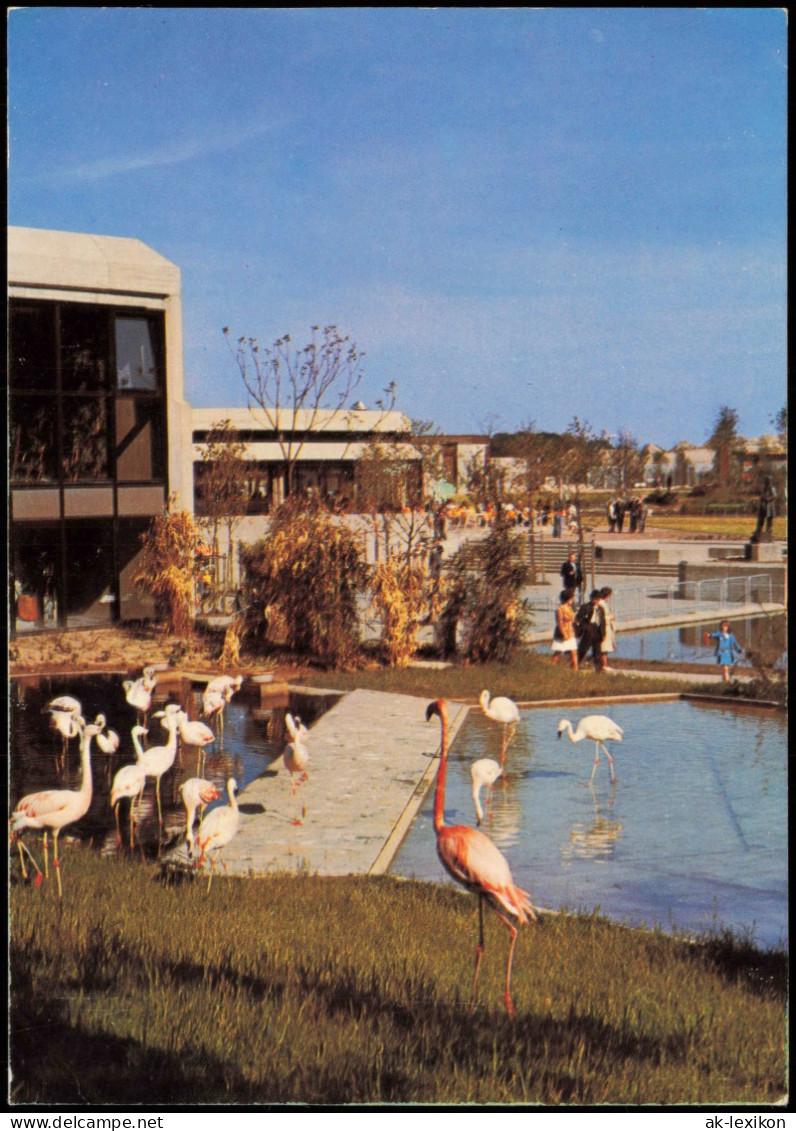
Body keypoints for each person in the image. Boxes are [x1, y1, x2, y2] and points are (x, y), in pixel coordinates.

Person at [575, 589, 604, 670]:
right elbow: (578, 618)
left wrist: (603, 633)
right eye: (594, 599)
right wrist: (583, 628)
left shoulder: (600, 609)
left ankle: (598, 668)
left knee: (597, 650)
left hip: (597, 630)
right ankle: (575, 664)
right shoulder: (585, 607)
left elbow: (603, 621)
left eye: (597, 599)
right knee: (583, 649)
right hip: (588, 628)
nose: (595, 601)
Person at [551, 588, 578, 671]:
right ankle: (552, 666)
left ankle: (575, 669)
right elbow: (559, 622)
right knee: (559, 650)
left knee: (573, 651)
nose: (572, 600)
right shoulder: (560, 609)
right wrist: (564, 634)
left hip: (570, 631)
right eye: (571, 599)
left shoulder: (569, 608)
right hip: (563, 631)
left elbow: (572, 618)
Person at [598, 587, 617, 672]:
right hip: (604, 627)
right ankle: (604, 665)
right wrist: (611, 617)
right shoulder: (601, 605)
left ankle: (603, 664)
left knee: (605, 647)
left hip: (607, 627)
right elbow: (603, 618)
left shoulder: (603, 604)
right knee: (604, 647)